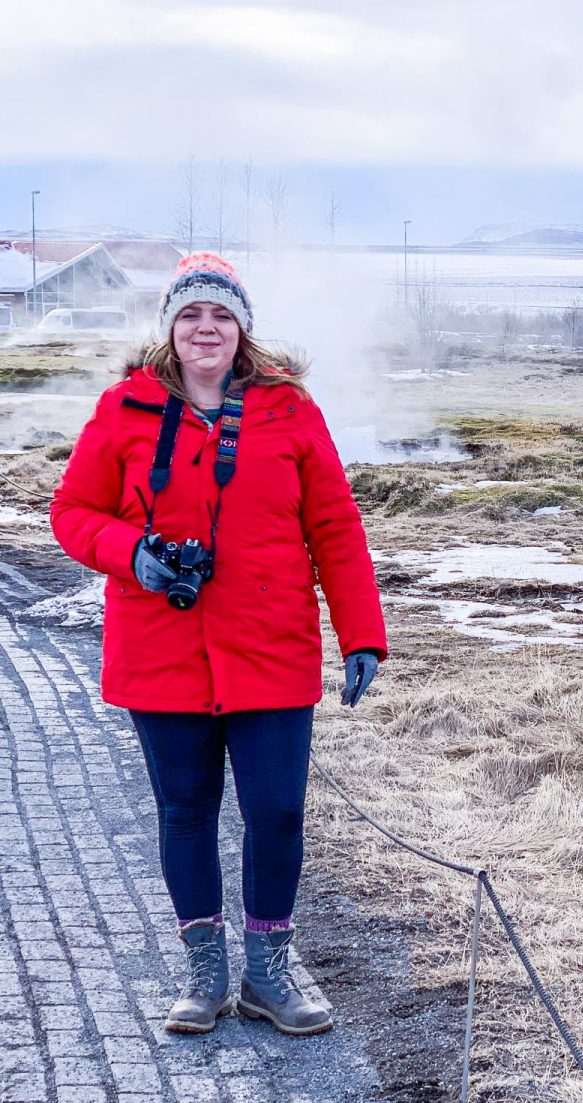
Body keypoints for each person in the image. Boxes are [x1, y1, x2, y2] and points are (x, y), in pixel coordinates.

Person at [50, 253, 387, 1037]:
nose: (207, 328)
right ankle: (205, 971)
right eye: (192, 314)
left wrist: (361, 632)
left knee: (276, 811)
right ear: (171, 326)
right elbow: (72, 512)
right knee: (186, 809)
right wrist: (133, 552)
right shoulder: (123, 409)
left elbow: (335, 526)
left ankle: (269, 972)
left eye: (222, 315)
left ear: (243, 328)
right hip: (159, 650)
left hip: (273, 648)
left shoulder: (291, 411)